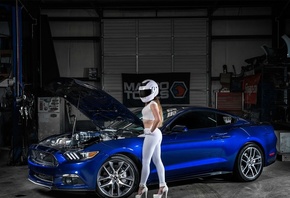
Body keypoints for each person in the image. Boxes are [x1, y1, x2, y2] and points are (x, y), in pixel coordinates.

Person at [136, 79, 168, 198]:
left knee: (146, 162)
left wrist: (150, 132)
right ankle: (162, 186)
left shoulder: (153, 104)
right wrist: (147, 132)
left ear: (154, 91)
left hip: (153, 134)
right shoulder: (150, 104)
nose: (143, 95)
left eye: (146, 92)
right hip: (153, 134)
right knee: (157, 160)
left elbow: (158, 119)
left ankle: (142, 187)